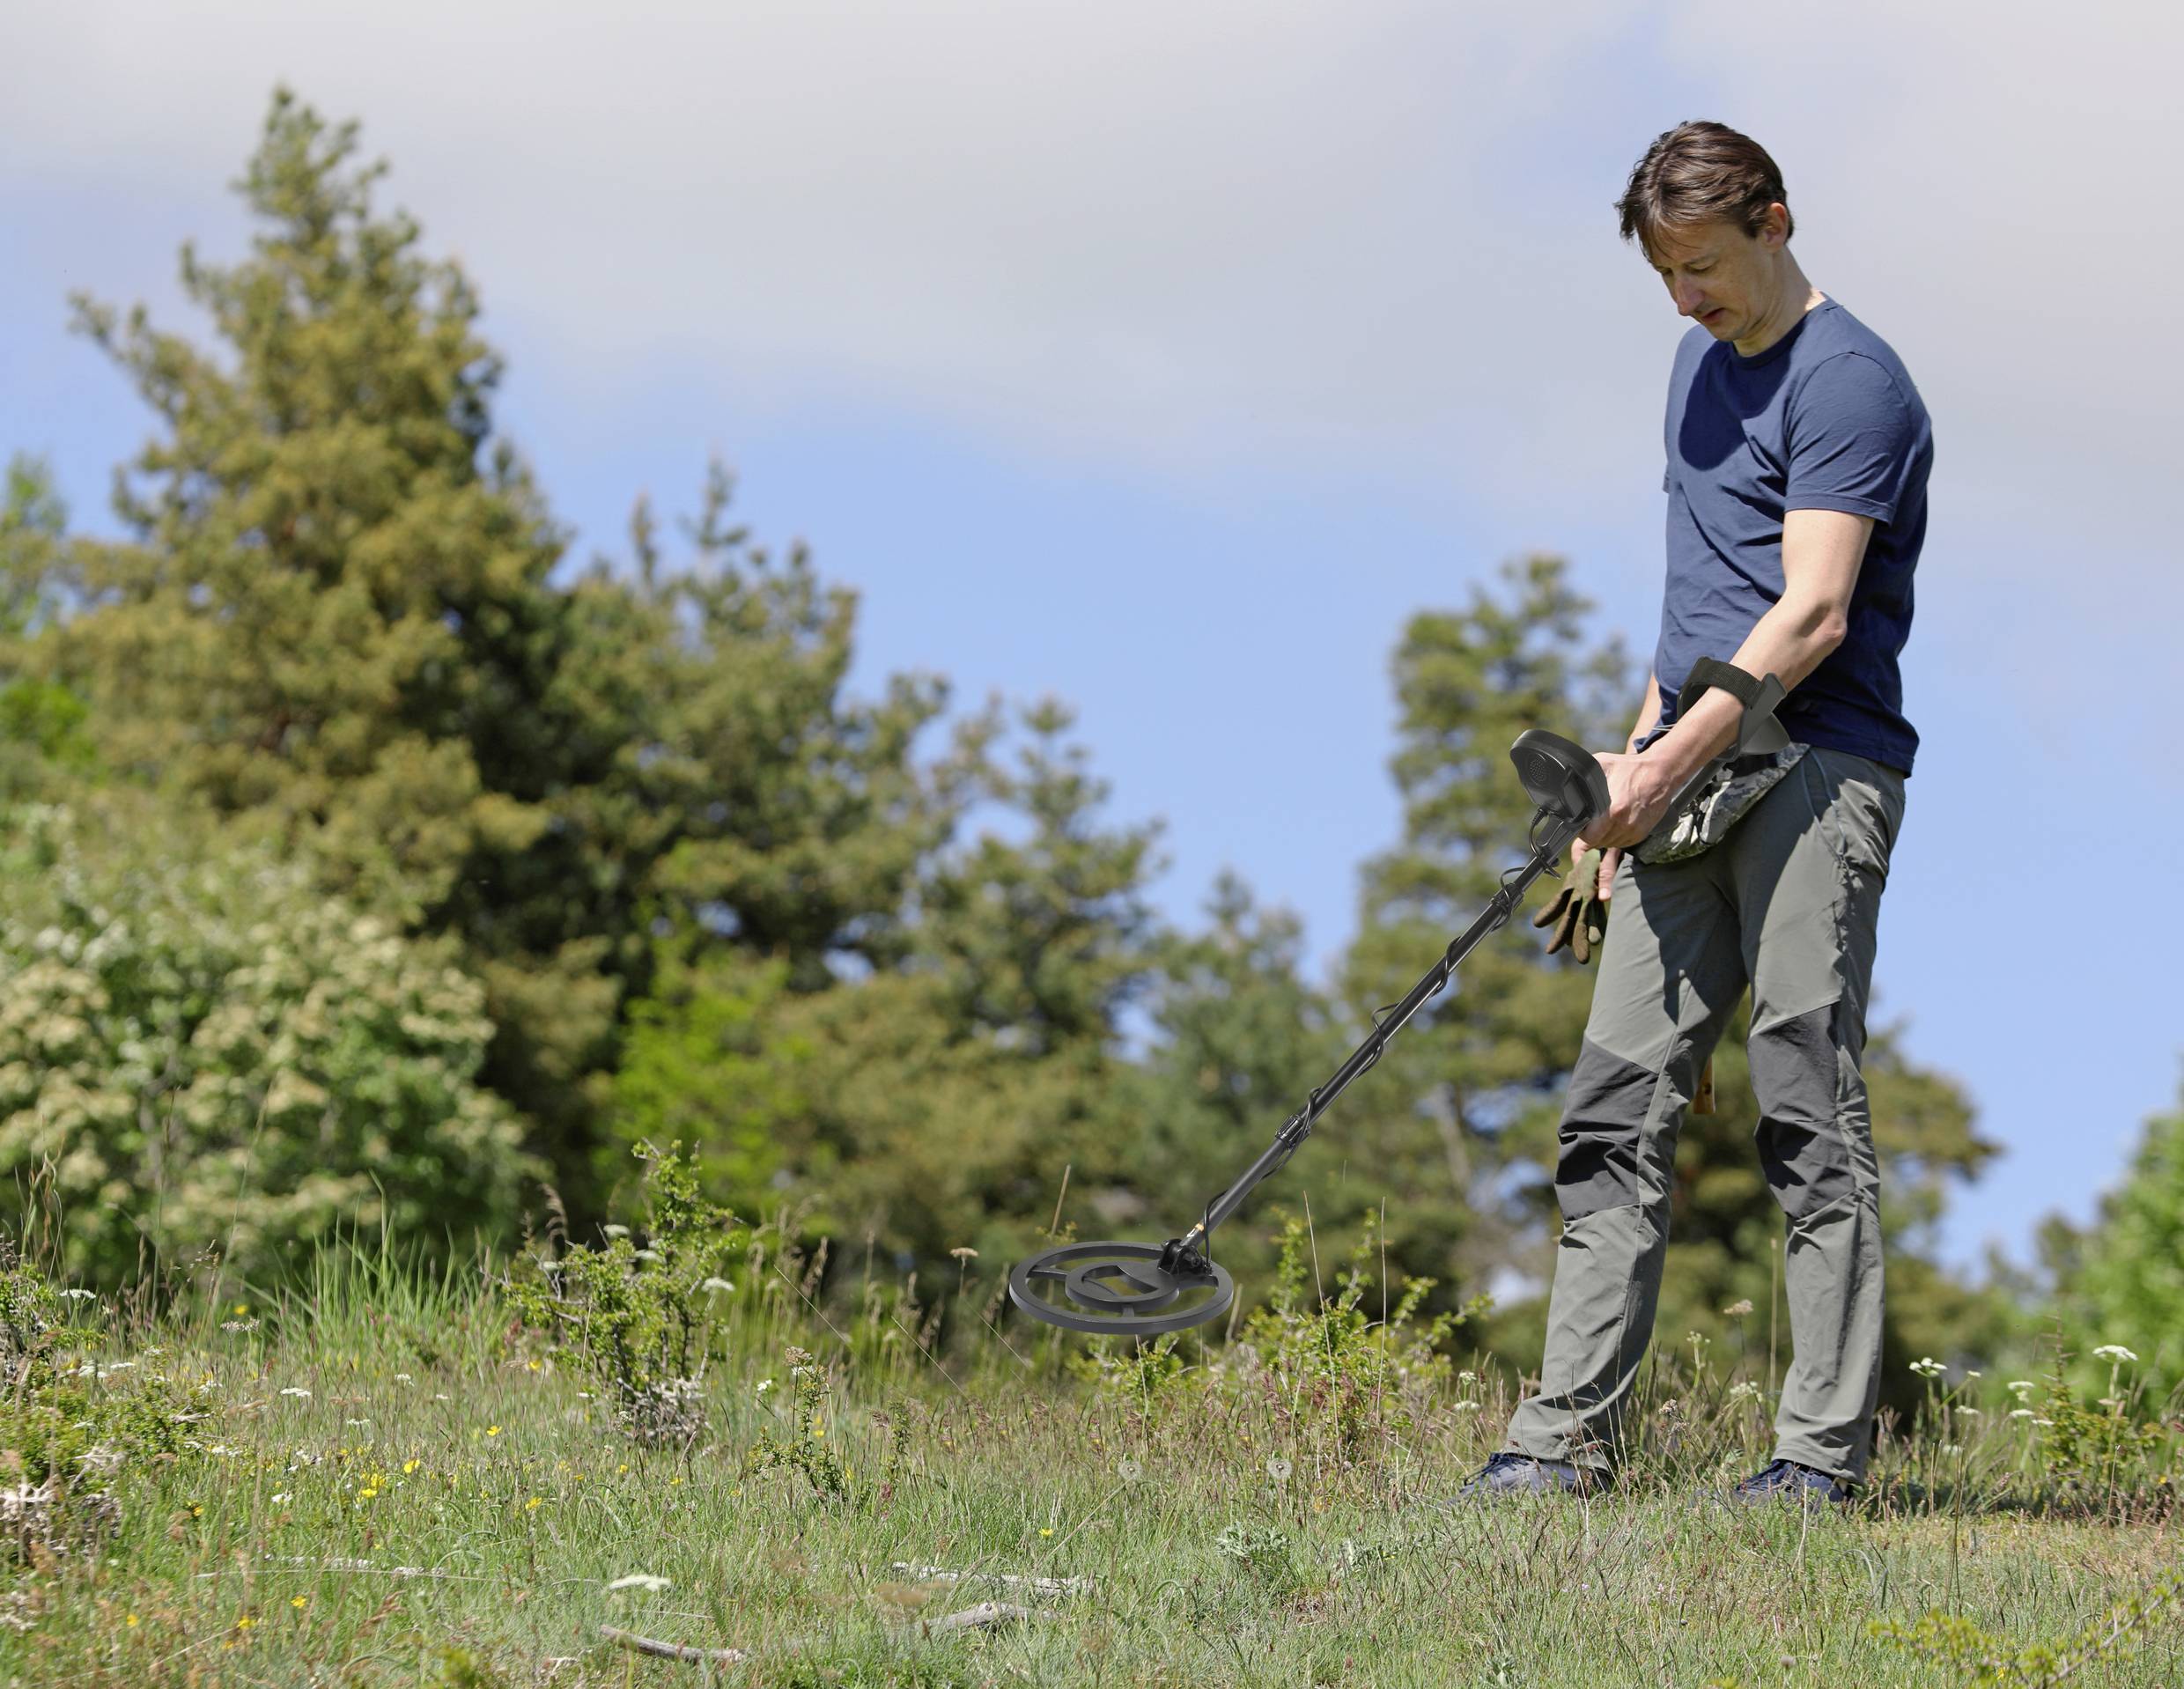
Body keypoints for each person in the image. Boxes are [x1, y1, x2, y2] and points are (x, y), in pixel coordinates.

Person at [1462, 121, 1930, 1505]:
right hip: (1681, 775)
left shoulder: (1853, 383)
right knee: (1611, 1109)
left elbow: (1812, 613)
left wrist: (1666, 770)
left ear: (1776, 221)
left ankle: (1815, 1459)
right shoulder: (1692, 367)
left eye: (1706, 266)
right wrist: (1627, 772)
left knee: (1804, 1107)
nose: (1687, 297)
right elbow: (1700, 602)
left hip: (1816, 768)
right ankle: (1559, 1446)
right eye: (1665, 273)